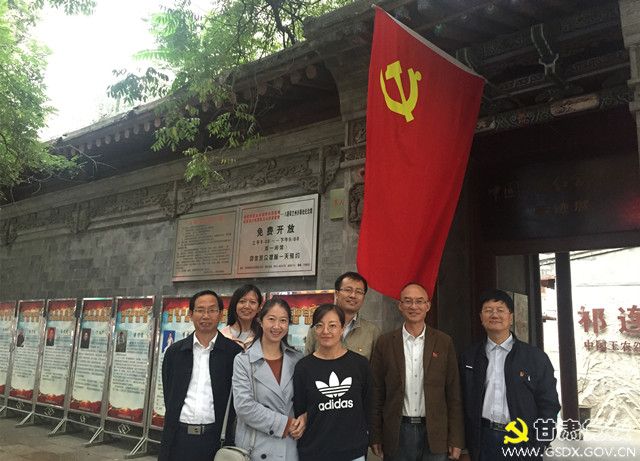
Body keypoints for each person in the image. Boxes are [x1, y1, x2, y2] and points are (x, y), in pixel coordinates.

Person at [459, 290, 560, 461]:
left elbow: (549, 404)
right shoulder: (469, 357)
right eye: (488, 310)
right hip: (483, 438)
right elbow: (461, 402)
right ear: (481, 318)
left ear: (511, 317)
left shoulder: (534, 357)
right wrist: (464, 447)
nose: (494, 315)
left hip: (522, 438)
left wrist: (539, 444)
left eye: (500, 310)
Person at [371, 282, 464, 461]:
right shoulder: (385, 343)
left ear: (428, 305)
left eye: (420, 301)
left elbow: (454, 393)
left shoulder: (443, 342)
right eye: (408, 301)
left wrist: (456, 438)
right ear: (400, 305)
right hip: (397, 432)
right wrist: (375, 434)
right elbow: (377, 392)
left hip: (435, 433)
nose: (414, 306)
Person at [160, 289, 243, 461]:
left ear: (221, 314)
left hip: (216, 440)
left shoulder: (234, 353)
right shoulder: (175, 352)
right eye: (200, 310)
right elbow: (170, 393)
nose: (206, 316)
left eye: (212, 310)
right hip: (179, 439)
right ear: (190, 314)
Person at [293, 303, 372, 461]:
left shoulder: (360, 364)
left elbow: (368, 405)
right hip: (315, 451)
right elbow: (300, 410)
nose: (325, 331)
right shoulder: (304, 367)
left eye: (332, 325)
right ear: (314, 330)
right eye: (319, 325)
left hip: (352, 452)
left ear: (342, 329)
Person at [233, 298, 306, 461]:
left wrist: (304, 419)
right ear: (260, 320)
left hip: (289, 448)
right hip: (255, 449)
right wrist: (285, 424)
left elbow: (305, 401)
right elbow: (244, 407)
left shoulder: (297, 360)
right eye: (271, 319)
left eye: (283, 320)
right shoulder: (244, 360)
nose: (277, 326)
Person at [304, 271, 381, 360]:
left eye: (359, 292)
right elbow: (307, 361)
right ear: (337, 294)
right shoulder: (318, 327)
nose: (353, 295)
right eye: (348, 290)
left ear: (363, 298)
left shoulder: (372, 332)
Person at [221, 284, 263, 349]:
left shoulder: (263, 337)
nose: (247, 306)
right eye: (242, 301)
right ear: (235, 305)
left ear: (258, 308)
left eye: (252, 302)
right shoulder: (222, 336)